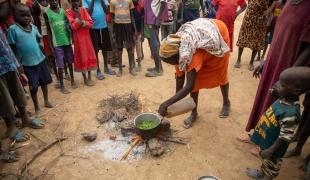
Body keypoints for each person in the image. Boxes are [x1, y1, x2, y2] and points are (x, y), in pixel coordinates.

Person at [238, 0, 310, 138]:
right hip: (274, 60)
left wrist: (290, 75)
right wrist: (266, 61)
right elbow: (279, 33)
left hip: (289, 66)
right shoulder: (288, 2)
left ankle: (265, 143)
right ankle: (256, 135)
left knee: (277, 105)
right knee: (265, 97)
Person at [158, 18, 231, 128]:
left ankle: (226, 102)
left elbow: (189, 86)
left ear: (177, 56)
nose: (171, 64)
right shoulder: (176, 50)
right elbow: (180, 77)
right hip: (201, 35)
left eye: (169, 62)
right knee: (195, 83)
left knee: (220, 74)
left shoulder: (191, 55)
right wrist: (172, 103)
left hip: (218, 34)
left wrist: (165, 104)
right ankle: (194, 113)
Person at [245, 67, 310, 180]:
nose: (278, 85)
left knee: (271, 167)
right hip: (268, 143)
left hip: (275, 149)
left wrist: (271, 150)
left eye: (283, 85)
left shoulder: (291, 113)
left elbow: (285, 137)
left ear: (296, 90)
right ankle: (261, 174)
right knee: (265, 161)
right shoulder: (285, 97)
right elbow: (278, 94)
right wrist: (275, 92)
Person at [0, 0, 44, 143]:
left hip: (5, 55)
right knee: (3, 94)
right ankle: (11, 126)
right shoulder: (13, 27)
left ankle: (25, 118)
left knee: (16, 87)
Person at [7, 3, 54, 117]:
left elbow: (39, 38)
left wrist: (41, 43)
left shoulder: (33, 27)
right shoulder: (13, 30)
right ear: (16, 17)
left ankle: (46, 100)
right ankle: (37, 107)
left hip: (40, 59)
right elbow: (12, 47)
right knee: (33, 86)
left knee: (44, 82)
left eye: (28, 15)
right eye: (23, 16)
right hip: (27, 63)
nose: (27, 18)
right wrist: (18, 64)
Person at [44, 0, 77, 94]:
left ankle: (72, 80)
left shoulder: (63, 11)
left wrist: (71, 36)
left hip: (67, 41)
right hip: (57, 43)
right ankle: (62, 85)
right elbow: (49, 30)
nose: (54, 1)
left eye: (55, 0)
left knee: (70, 61)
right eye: (51, 0)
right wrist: (50, 45)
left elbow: (68, 24)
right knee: (60, 64)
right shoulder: (46, 13)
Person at [66, 0, 97, 86]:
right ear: (70, 2)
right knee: (82, 56)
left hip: (87, 38)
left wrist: (81, 22)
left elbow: (90, 24)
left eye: (76, 1)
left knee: (89, 55)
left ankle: (90, 77)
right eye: (73, 2)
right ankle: (85, 78)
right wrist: (79, 18)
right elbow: (73, 27)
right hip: (78, 40)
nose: (75, 3)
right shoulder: (69, 12)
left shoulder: (83, 9)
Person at [82, 0, 115, 80]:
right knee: (95, 50)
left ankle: (106, 67)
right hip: (93, 28)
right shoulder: (85, 0)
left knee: (105, 48)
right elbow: (88, 12)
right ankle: (98, 70)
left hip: (103, 26)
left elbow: (107, 11)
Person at [234, 0, 270, 71]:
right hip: (249, 16)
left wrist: (267, 12)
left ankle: (251, 62)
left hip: (260, 19)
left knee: (256, 40)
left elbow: (274, 3)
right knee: (243, 37)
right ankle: (238, 59)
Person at [29, 0, 59, 82]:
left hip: (54, 30)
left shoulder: (50, 2)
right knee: (50, 54)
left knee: (58, 51)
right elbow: (35, 21)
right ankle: (56, 75)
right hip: (44, 32)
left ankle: (60, 70)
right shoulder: (35, 4)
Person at [110, 0, 137, 76]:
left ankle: (131, 68)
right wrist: (112, 31)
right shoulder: (112, 2)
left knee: (129, 48)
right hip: (117, 26)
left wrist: (134, 29)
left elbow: (132, 16)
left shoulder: (129, 1)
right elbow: (112, 18)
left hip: (127, 25)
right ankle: (120, 70)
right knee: (119, 48)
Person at [144, 0, 168, 77]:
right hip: (152, 17)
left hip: (154, 18)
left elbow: (163, 3)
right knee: (155, 43)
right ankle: (158, 67)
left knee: (154, 45)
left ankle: (158, 70)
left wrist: (158, 18)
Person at [132, 0, 144, 71]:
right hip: (131, 32)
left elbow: (142, 21)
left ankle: (139, 64)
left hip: (138, 32)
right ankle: (133, 63)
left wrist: (141, 33)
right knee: (131, 49)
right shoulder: (129, 6)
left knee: (138, 48)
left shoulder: (141, 6)